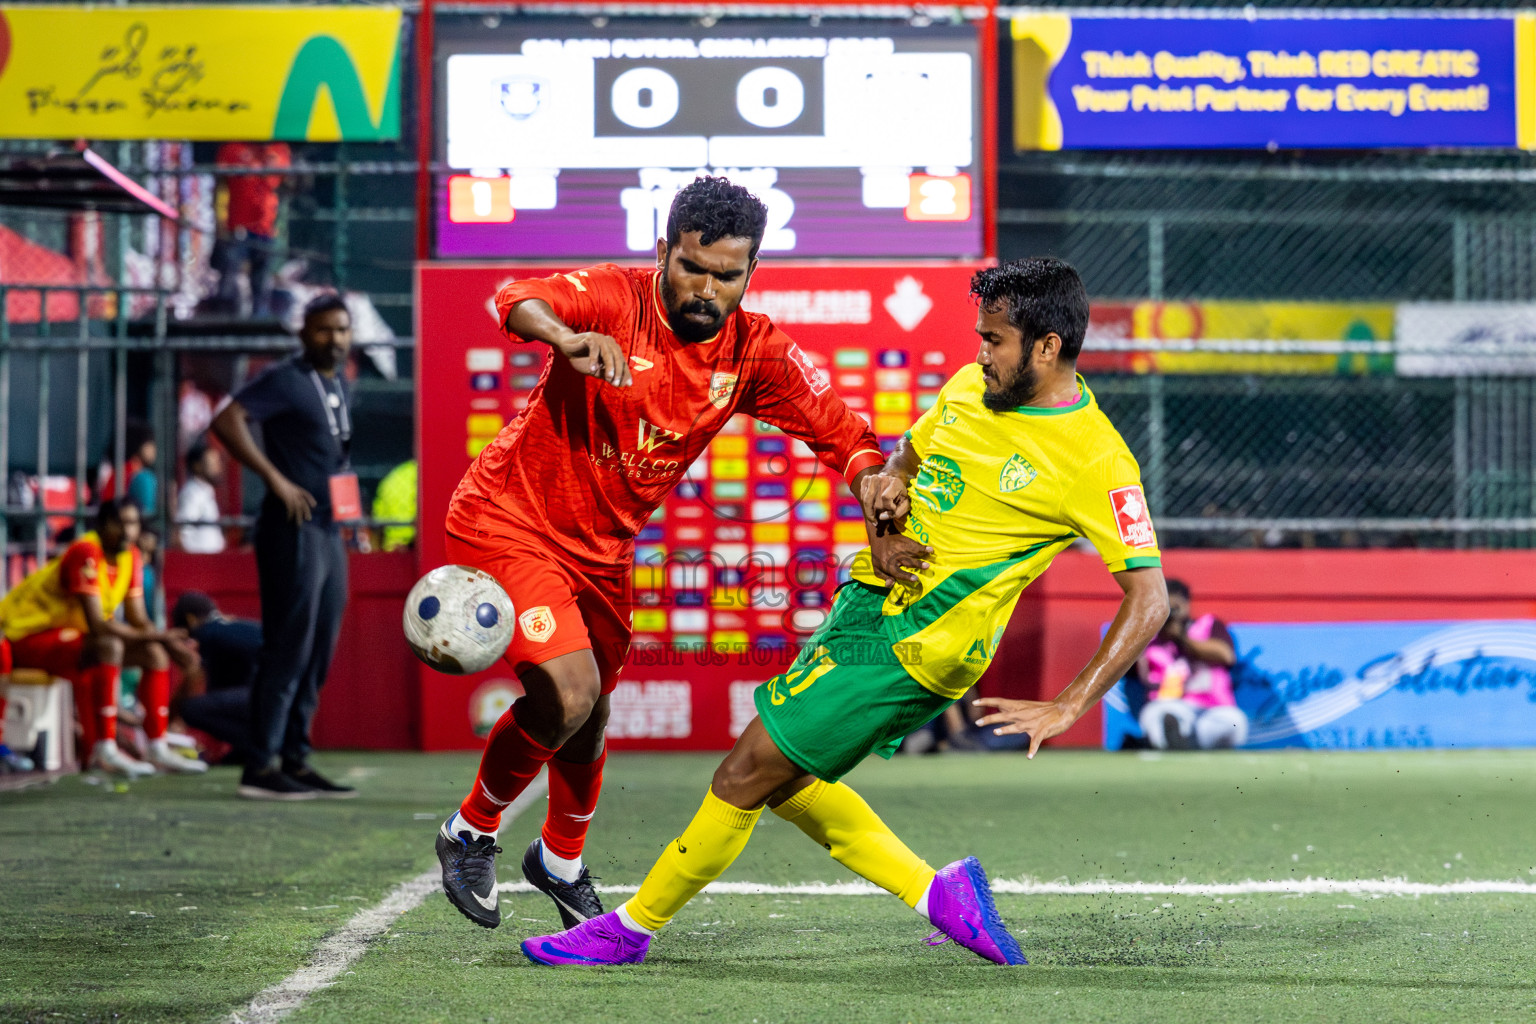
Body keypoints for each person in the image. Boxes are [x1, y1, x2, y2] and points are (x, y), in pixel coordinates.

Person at [519, 257, 1169, 968]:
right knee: (787, 778)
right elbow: (899, 466)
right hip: (871, 608)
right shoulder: (967, 387)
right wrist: (885, 532)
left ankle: (630, 929)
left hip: (918, 642)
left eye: (996, 341)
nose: (981, 353)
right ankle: (940, 895)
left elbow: (1150, 597)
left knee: (745, 771)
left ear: (1048, 347)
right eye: (981, 336)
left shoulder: (1095, 459)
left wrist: (1068, 705)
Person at [434, 176, 887, 934]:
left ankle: (560, 862)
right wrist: (563, 337)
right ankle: (470, 831)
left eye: (727, 275)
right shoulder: (614, 298)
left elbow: (841, 429)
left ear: (752, 273)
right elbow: (515, 297)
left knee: (593, 711)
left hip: (602, 555)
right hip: (507, 520)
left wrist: (872, 483)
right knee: (570, 694)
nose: (707, 287)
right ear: (661, 253)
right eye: (691, 267)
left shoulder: (752, 350)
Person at [211, 293, 356, 801]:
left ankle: (295, 757)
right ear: (303, 334)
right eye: (323, 330)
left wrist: (350, 516)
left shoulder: (338, 384)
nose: (334, 339)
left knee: (319, 646)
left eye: (341, 330)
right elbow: (226, 419)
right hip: (290, 527)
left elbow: (335, 459)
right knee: (288, 646)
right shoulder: (286, 379)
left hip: (327, 529)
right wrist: (273, 478)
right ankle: (260, 763)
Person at [0, 499, 206, 776]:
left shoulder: (130, 556)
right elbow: (98, 625)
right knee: (108, 646)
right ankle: (105, 749)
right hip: (22, 635)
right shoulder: (85, 552)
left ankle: (157, 746)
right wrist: (164, 637)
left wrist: (163, 642)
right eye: (118, 523)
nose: (126, 530)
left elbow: (139, 619)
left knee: (153, 654)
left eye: (132, 523)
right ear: (101, 525)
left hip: (66, 639)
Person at [1131, 579, 1247, 749]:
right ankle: (1175, 737)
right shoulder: (1147, 639)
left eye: (1173, 607)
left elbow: (1226, 656)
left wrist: (1182, 639)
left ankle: (1183, 742)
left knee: (1235, 722)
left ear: (1186, 604)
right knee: (1154, 716)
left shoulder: (1207, 626)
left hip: (1212, 708)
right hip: (1169, 705)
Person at [167, 591, 263, 765]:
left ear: (190, 619)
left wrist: (170, 716)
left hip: (261, 699)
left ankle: (251, 744)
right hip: (283, 701)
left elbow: (194, 677)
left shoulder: (206, 633)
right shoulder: (243, 627)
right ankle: (253, 745)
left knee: (190, 708)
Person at [213, 141, 291, 317]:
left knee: (261, 283)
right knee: (228, 280)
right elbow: (221, 187)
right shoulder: (232, 148)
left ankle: (258, 325)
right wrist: (220, 222)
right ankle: (223, 323)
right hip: (237, 226)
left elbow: (289, 185)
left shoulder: (278, 150)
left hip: (266, 229)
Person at [177, 438, 227, 553]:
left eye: (217, 463)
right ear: (197, 466)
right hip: (199, 563)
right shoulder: (192, 493)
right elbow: (182, 534)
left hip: (212, 561)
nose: (217, 468)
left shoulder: (206, 491)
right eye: (212, 463)